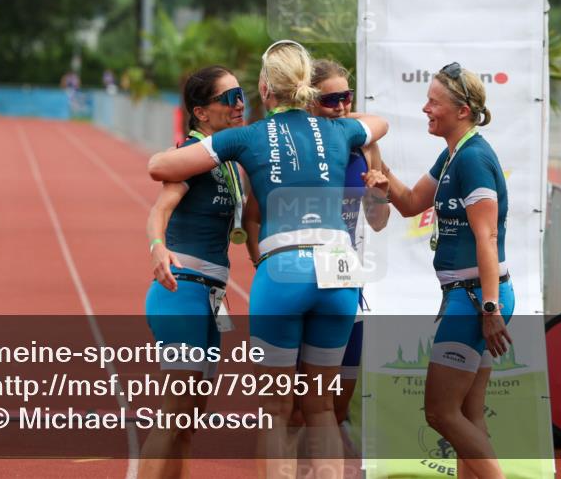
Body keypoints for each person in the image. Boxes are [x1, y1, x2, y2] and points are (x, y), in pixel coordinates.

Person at [148, 41, 389, 478]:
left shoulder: (244, 137)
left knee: (275, 410)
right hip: (339, 271)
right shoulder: (341, 131)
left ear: (264, 88)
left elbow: (160, 166)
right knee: (321, 410)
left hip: (284, 269)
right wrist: (337, 125)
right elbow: (381, 123)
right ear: (307, 90)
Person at [363, 62, 512, 479]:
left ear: (462, 110)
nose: (425, 108)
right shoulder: (453, 154)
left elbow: (487, 238)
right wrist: (379, 166)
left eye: (434, 101)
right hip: (470, 295)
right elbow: (410, 203)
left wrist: (489, 308)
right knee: (467, 413)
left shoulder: (473, 160)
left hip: (475, 298)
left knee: (440, 413)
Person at [140, 65, 248, 479]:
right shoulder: (193, 156)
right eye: (229, 99)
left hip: (211, 296)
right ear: (202, 112)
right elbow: (159, 209)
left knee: (190, 417)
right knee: (174, 414)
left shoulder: (228, 161)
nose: (239, 105)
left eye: (242, 96)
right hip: (181, 290)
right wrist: (157, 247)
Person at [288, 59, 389, 443]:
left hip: (346, 279)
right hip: (300, 279)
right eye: (331, 99)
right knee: (298, 408)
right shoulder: (293, 145)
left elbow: (378, 221)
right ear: (308, 101)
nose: (343, 106)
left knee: (339, 405)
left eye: (347, 97)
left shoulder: (366, 146)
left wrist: (379, 194)